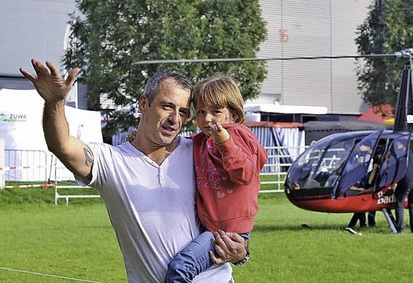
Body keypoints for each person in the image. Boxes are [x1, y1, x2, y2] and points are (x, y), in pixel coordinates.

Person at [19, 59, 248, 282]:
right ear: (143, 104)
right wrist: (55, 103)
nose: (174, 119)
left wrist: (241, 252)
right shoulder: (112, 161)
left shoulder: (201, 153)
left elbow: (239, 199)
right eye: (167, 106)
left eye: (183, 112)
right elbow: (62, 146)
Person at [165, 76, 267, 282]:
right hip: (213, 226)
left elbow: (245, 174)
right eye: (201, 111)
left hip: (229, 232)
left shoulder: (237, 134)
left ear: (234, 114)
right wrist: (138, 139)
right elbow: (173, 144)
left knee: (180, 269)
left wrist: (225, 143)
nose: (207, 118)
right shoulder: (201, 141)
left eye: (216, 112)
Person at [394, 146, 413, 233]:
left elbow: (397, 171)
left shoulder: (399, 154)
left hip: (407, 180)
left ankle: (399, 229)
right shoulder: (409, 152)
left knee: (399, 204)